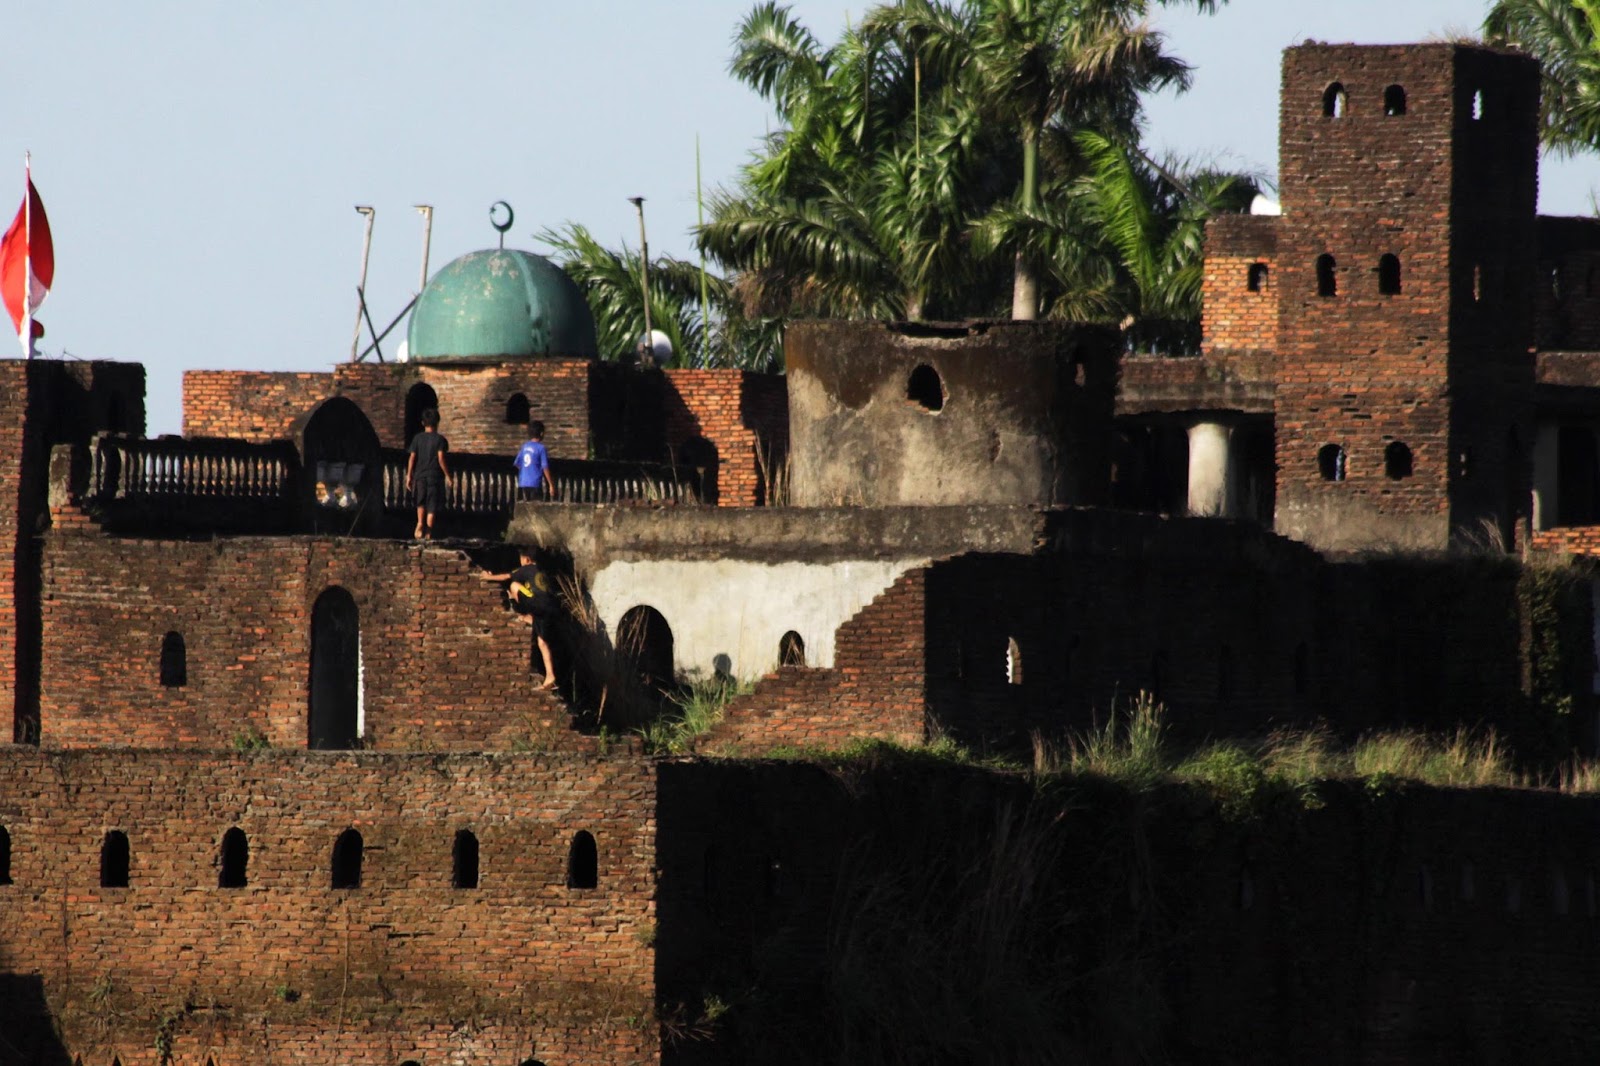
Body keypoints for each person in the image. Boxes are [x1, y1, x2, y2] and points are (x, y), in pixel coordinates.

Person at [480, 548, 559, 689]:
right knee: (542, 643)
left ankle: (528, 615)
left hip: (537, 606)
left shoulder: (527, 568)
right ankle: (550, 676)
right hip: (551, 609)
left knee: (514, 586)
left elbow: (507, 576)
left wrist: (488, 577)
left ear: (526, 559)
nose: (520, 562)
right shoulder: (542, 571)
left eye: (521, 559)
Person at [405, 407, 451, 539]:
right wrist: (448, 475)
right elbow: (441, 458)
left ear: (422, 423)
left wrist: (409, 475)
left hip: (419, 475)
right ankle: (428, 531)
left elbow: (412, 457)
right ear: (437, 422)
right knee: (432, 504)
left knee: (421, 501)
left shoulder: (417, 439)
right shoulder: (440, 440)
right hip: (434, 476)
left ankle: (419, 523)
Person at [515, 419, 555, 502]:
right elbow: (545, 467)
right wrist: (551, 484)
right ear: (541, 433)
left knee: (526, 505)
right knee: (536, 506)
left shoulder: (524, 447)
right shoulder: (541, 448)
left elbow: (517, 463)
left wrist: (526, 471)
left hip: (524, 482)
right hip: (535, 482)